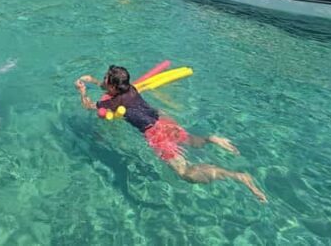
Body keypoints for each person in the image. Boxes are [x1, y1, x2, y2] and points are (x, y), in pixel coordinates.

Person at [75, 65, 267, 202]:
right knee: (191, 140)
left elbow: (88, 106)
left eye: (105, 79)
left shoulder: (113, 102)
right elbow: (108, 88)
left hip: (155, 134)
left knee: (185, 173)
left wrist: (82, 91)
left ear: (113, 87)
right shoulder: (130, 89)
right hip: (163, 120)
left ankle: (238, 176)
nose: (104, 81)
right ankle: (211, 139)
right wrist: (93, 80)